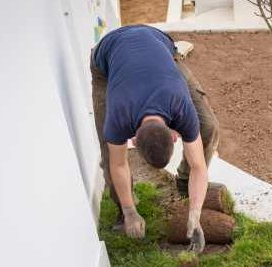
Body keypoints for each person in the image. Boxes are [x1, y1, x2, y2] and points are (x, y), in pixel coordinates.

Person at [90, 25, 220, 250]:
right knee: (108, 151)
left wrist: (195, 215)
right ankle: (126, 212)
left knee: (207, 126)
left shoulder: (181, 107)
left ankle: (183, 184)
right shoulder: (119, 117)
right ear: (132, 141)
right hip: (107, 58)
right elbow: (119, 164)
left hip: (158, 45)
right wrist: (131, 211)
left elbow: (199, 166)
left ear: (172, 135)